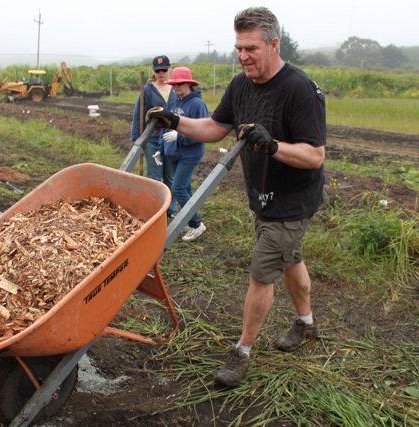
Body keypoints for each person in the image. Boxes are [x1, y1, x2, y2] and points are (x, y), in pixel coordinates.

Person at [147, 6, 326, 387]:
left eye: (251, 48)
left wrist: (273, 145)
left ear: (273, 44)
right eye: (239, 48)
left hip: (293, 198)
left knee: (262, 271)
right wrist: (175, 121)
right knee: (290, 258)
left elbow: (314, 155)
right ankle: (307, 324)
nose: (243, 56)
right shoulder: (241, 85)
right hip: (263, 194)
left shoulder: (299, 89)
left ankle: (241, 352)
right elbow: (215, 128)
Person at [157, 67, 208, 242]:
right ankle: (189, 218)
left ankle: (196, 224)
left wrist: (180, 136)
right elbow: (165, 127)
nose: (176, 87)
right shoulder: (173, 103)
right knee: (185, 188)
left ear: (189, 84)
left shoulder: (197, 104)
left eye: (179, 84)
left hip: (189, 153)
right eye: (174, 84)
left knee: (178, 188)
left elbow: (202, 131)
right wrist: (160, 148)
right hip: (174, 153)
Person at [131, 55, 178, 216]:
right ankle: (156, 209)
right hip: (153, 140)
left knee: (170, 177)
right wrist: (136, 140)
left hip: (170, 140)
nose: (161, 73)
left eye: (164, 70)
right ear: (154, 71)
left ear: (169, 69)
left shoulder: (176, 88)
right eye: (158, 71)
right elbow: (138, 116)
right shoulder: (148, 90)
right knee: (154, 177)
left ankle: (171, 208)